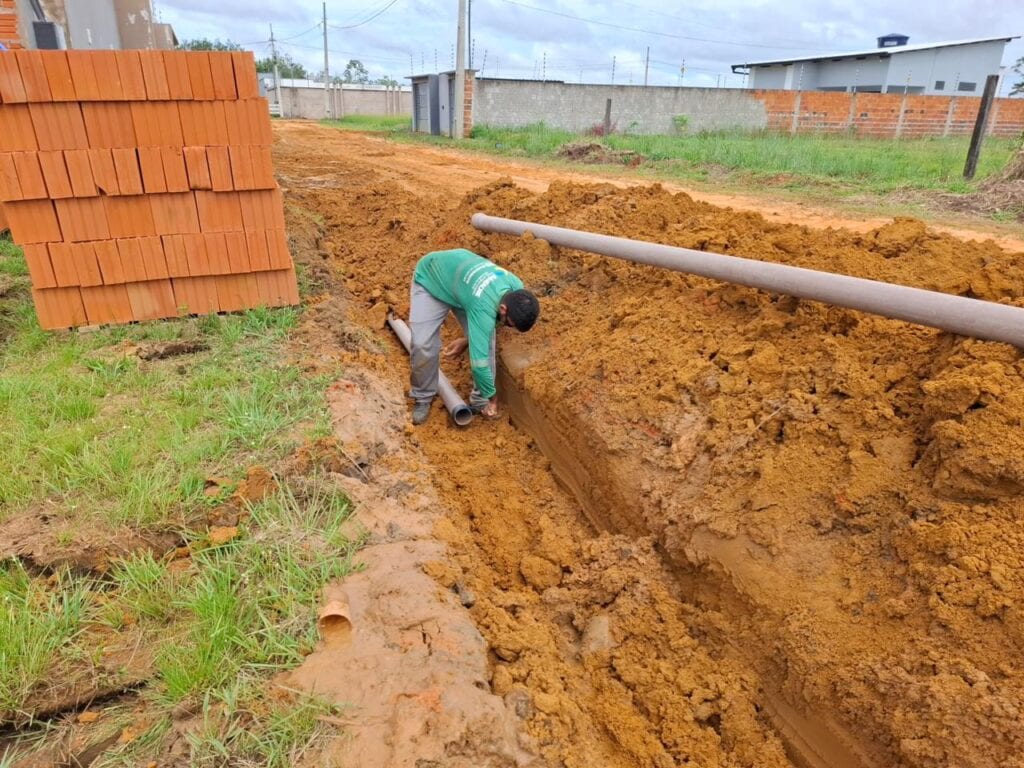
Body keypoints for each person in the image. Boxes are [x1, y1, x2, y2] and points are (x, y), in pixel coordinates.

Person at [408, 248, 539, 425]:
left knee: (486, 341)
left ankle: (478, 403)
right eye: (509, 324)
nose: (507, 327)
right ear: (503, 309)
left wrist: (468, 340)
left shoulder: (515, 285)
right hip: (432, 278)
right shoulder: (484, 310)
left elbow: (492, 322)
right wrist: (493, 398)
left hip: (464, 285)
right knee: (422, 343)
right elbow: (479, 366)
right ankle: (423, 397)